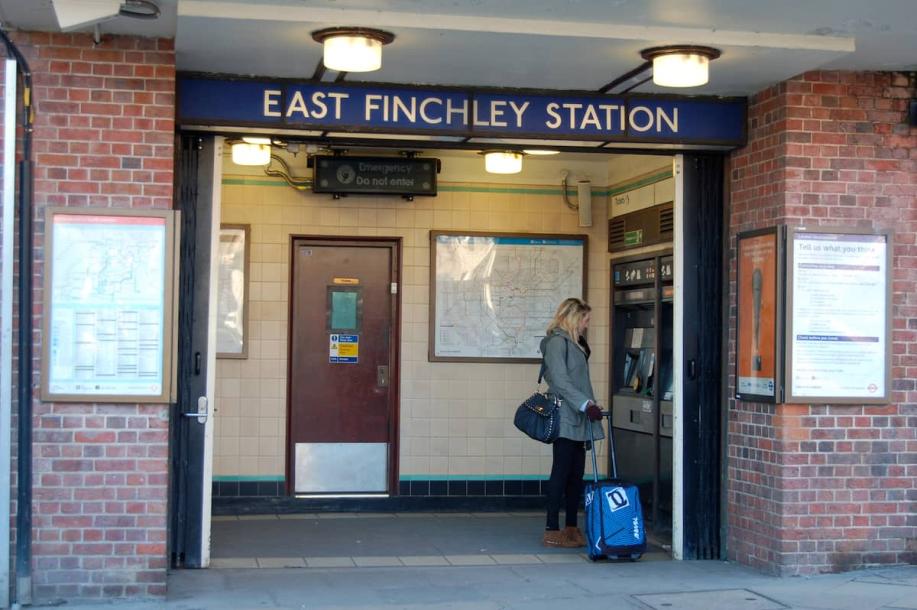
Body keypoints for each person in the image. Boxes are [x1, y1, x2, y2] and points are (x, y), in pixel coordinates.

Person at [538, 297, 605, 548]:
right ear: (574, 318)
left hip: (579, 415)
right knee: (561, 472)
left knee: (576, 475)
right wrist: (586, 405)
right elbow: (560, 381)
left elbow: (579, 381)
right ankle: (551, 528)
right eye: (585, 319)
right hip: (566, 416)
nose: (588, 324)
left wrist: (590, 405)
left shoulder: (576, 342)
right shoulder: (556, 342)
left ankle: (571, 526)